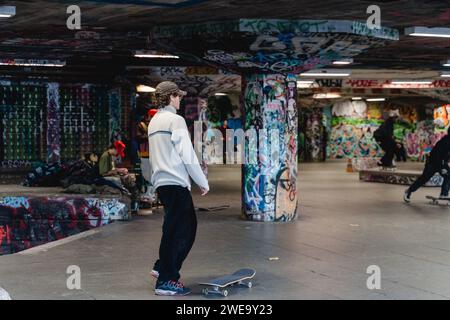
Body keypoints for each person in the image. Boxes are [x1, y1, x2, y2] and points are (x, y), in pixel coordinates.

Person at [148, 81, 209, 296]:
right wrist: (202, 180)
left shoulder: (154, 121)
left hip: (162, 183)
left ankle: (161, 266)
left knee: (172, 228)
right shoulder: (175, 120)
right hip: (175, 182)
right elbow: (187, 154)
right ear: (171, 96)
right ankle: (167, 279)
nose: (180, 99)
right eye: (178, 96)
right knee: (185, 231)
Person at [404, 127, 450, 203]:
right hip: (432, 163)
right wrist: (442, 167)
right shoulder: (445, 142)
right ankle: (409, 191)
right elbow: (438, 155)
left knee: (449, 176)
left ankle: (444, 194)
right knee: (424, 179)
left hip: (442, 163)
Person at [99, 141, 140, 212]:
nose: (118, 154)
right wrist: (118, 171)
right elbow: (103, 173)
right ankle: (132, 201)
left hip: (111, 175)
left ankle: (134, 201)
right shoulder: (105, 156)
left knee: (130, 177)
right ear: (114, 149)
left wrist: (120, 169)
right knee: (126, 179)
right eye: (118, 152)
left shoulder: (109, 156)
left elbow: (111, 169)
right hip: (105, 178)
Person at [137, 109, 158, 202]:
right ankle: (147, 193)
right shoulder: (141, 125)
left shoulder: (155, 125)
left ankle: (151, 193)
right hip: (145, 153)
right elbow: (139, 137)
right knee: (146, 174)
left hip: (153, 153)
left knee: (153, 174)